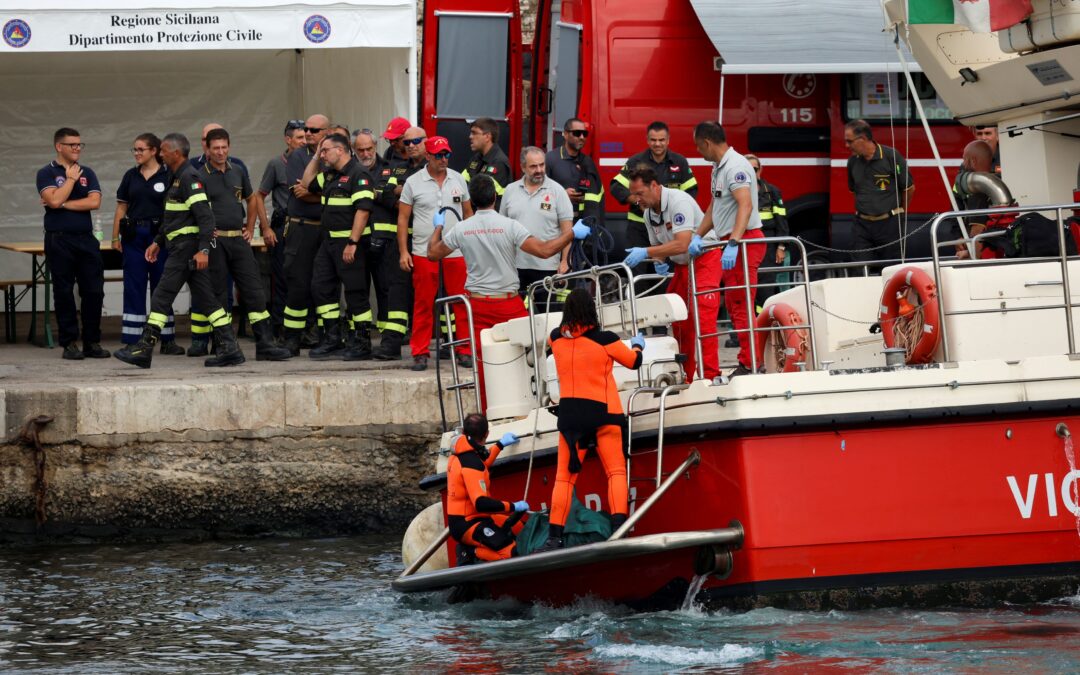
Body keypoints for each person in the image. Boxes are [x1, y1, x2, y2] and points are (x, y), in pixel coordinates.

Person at [428, 174, 587, 410]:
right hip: (509, 305)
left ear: (471, 200)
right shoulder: (509, 226)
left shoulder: (461, 229)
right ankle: (538, 408)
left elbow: (432, 253)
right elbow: (544, 251)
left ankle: (488, 416)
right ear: (495, 197)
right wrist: (572, 233)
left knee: (483, 367)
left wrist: (438, 226)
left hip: (478, 307)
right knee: (531, 358)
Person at [115, 133, 243, 368]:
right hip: (179, 246)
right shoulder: (177, 177)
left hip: (186, 249)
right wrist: (158, 241)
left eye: (163, 150)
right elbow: (174, 216)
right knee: (207, 299)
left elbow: (206, 218)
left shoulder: (189, 177)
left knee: (162, 296)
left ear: (175, 153)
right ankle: (230, 347)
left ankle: (144, 348)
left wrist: (203, 250)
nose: (160, 154)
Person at [539, 288, 645, 551]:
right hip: (604, 414)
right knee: (615, 472)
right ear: (592, 310)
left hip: (570, 417)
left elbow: (564, 337)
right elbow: (634, 362)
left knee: (564, 479)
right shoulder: (605, 339)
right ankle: (618, 531)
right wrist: (637, 344)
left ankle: (555, 538)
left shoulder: (555, 339)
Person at [199, 128, 291, 361]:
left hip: (238, 240)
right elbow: (196, 212)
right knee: (219, 294)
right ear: (207, 149)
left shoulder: (238, 171)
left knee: (254, 290)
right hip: (215, 241)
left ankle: (265, 344)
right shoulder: (199, 176)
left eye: (224, 147)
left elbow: (252, 199)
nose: (220, 152)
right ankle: (223, 346)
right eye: (216, 148)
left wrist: (250, 227)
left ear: (229, 147)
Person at [623, 166, 720, 382]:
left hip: (705, 259)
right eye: (634, 195)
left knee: (702, 317)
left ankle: (712, 376)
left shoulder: (678, 201)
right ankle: (686, 375)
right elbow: (657, 244)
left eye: (640, 194)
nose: (636, 199)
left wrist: (647, 253)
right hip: (682, 265)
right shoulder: (648, 213)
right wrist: (658, 261)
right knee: (676, 319)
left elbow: (682, 243)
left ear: (655, 186)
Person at [689, 121, 766, 378]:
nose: (699, 153)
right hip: (732, 240)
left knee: (742, 305)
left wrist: (733, 242)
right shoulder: (718, 168)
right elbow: (716, 205)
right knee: (736, 306)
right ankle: (749, 361)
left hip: (743, 241)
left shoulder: (734, 167)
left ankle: (751, 363)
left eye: (699, 147)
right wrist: (697, 235)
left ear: (707, 143)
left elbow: (745, 206)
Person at [397, 136, 474, 372]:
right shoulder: (413, 182)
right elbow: (403, 218)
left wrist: (471, 246)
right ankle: (420, 352)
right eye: (438, 155)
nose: (443, 159)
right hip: (423, 251)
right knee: (423, 303)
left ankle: (464, 350)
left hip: (455, 251)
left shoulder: (458, 178)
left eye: (446, 154)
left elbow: (469, 213)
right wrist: (403, 251)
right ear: (428, 156)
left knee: (461, 301)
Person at [302, 133, 377, 360]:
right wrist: (316, 156)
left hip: (350, 244)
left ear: (341, 150)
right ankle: (333, 338)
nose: (322, 154)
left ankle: (362, 343)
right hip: (328, 244)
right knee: (320, 288)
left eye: (325, 151)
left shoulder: (359, 174)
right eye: (321, 152)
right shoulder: (330, 175)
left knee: (355, 293)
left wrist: (352, 243)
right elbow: (306, 183)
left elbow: (363, 211)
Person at [36, 127, 109, 360]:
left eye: (80, 144)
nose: (77, 148)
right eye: (72, 144)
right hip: (59, 239)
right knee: (64, 291)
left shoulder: (88, 171)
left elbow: (94, 202)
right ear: (59, 146)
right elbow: (53, 199)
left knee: (94, 291)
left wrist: (63, 202)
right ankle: (69, 343)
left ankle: (92, 342)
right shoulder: (46, 172)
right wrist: (69, 181)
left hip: (86, 239)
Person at [112, 133, 185, 355]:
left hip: (160, 236)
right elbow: (122, 207)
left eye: (140, 149)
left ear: (154, 151)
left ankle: (166, 339)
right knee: (133, 286)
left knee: (162, 287)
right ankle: (133, 339)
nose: (136, 153)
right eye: (134, 150)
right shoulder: (130, 176)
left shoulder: (169, 175)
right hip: (134, 237)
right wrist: (115, 236)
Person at [610, 121, 697, 278]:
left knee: (665, 275)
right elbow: (616, 187)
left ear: (668, 140)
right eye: (653, 140)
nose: (657, 144)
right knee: (638, 274)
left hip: (669, 227)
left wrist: (678, 213)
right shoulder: (635, 162)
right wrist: (638, 201)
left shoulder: (679, 162)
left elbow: (690, 192)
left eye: (661, 140)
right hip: (639, 227)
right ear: (647, 140)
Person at [356, 128, 411, 360]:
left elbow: (395, 198)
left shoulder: (390, 167)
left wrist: (377, 193)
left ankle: (390, 340)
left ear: (375, 146)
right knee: (358, 291)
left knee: (387, 291)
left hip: (387, 240)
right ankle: (360, 342)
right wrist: (381, 193)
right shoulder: (349, 170)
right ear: (353, 150)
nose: (366, 153)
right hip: (358, 241)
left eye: (369, 148)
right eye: (361, 149)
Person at [446, 413, 527, 563]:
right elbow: (481, 503)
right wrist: (513, 506)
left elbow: (482, 464)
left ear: (464, 433)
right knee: (511, 553)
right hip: (467, 524)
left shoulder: (461, 453)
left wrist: (500, 445)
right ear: (487, 434)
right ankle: (471, 552)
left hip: (474, 517)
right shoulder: (470, 463)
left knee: (520, 527)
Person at [499, 147, 574, 306]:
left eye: (542, 165)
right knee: (516, 318)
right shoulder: (510, 191)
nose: (539, 170)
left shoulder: (557, 191)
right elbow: (503, 229)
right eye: (533, 166)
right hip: (515, 267)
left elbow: (567, 231)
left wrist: (565, 261)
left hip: (547, 268)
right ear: (523, 167)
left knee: (545, 317)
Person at [281, 114, 330, 354]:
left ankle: (324, 337)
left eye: (314, 130)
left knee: (324, 284)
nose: (308, 133)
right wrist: (329, 194)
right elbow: (300, 193)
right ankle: (291, 338)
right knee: (298, 283)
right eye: (306, 129)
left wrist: (318, 191)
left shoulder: (334, 154)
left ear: (326, 132)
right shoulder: (297, 156)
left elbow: (341, 187)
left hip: (326, 229)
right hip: (302, 228)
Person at [256, 120, 306, 336]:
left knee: (306, 278)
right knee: (282, 277)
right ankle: (279, 327)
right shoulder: (277, 164)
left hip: (306, 226)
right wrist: (266, 228)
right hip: (283, 226)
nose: (304, 141)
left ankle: (306, 328)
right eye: (299, 138)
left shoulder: (313, 162)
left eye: (306, 137)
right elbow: (259, 196)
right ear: (288, 140)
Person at [844, 119, 914, 265]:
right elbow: (853, 191)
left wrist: (901, 212)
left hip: (889, 224)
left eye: (849, 141)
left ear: (862, 138)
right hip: (861, 225)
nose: (847, 146)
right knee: (858, 269)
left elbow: (909, 188)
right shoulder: (852, 162)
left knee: (891, 270)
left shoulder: (891, 156)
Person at [953, 140, 1015, 260]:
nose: (964, 164)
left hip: (986, 259)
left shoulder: (978, 193)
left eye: (965, 159)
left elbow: (977, 233)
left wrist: (969, 255)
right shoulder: (996, 184)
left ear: (973, 161)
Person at [745, 154, 790, 310]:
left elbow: (781, 221)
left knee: (766, 287)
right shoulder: (738, 192)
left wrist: (781, 246)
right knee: (748, 286)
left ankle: (765, 322)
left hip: (768, 244)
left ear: (760, 170)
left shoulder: (772, 192)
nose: (752, 172)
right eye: (747, 169)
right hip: (747, 244)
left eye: (755, 169)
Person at [545, 117, 603, 223]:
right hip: (556, 224)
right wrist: (561, 195)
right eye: (577, 133)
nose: (582, 137)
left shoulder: (588, 162)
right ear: (566, 135)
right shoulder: (550, 159)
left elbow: (598, 197)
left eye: (584, 134)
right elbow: (538, 192)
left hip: (581, 224)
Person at [460, 117, 512, 208]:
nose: (470, 136)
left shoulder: (499, 163)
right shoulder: (476, 158)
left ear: (487, 136)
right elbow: (461, 183)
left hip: (492, 218)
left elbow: (482, 195)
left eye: (474, 133)